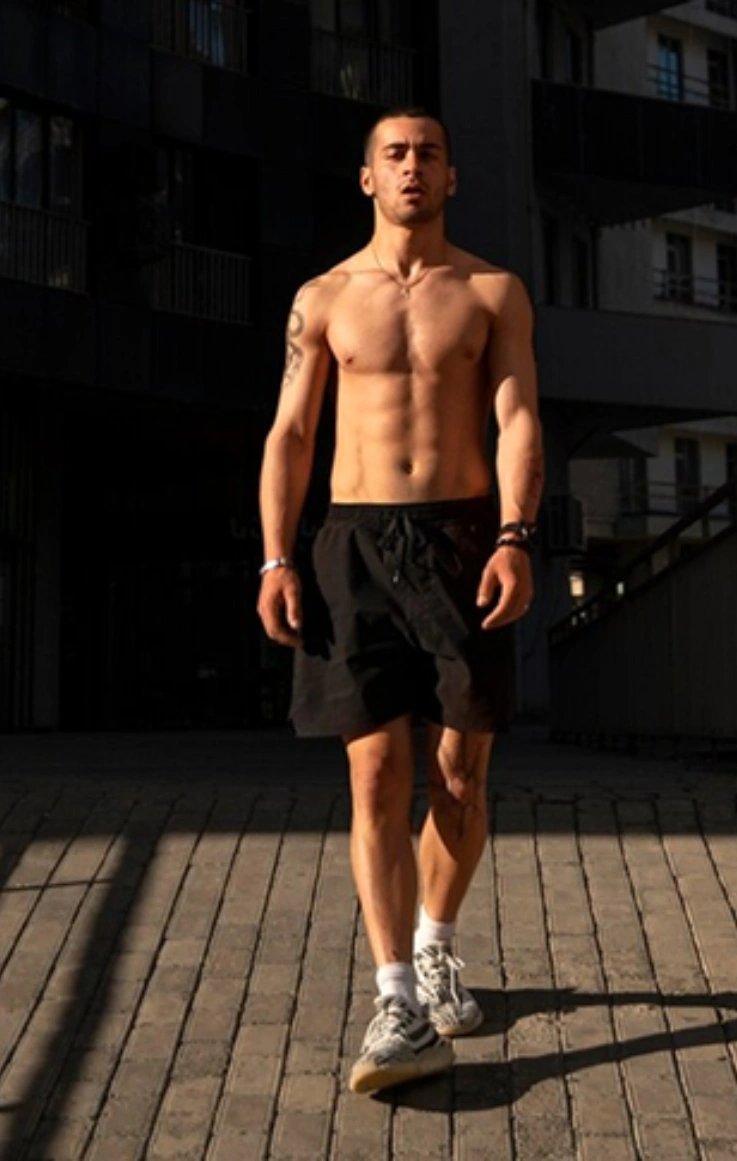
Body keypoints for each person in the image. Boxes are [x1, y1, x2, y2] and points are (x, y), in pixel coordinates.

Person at [256, 107, 544, 1095]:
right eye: (393, 154)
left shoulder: (493, 291)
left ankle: (434, 944)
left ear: (451, 177)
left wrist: (513, 534)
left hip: (465, 539)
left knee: (459, 773)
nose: (411, 166)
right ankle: (392, 1000)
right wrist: (273, 559)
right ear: (366, 178)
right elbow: (290, 434)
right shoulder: (324, 298)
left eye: (426, 153)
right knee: (375, 775)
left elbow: (515, 417)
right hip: (351, 544)